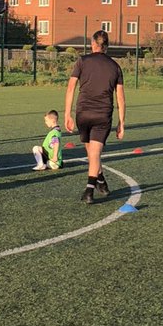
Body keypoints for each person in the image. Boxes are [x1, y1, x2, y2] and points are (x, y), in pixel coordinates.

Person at [64, 30, 126, 204]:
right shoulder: (115, 66)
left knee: (91, 152)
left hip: (83, 113)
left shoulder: (82, 61)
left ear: (93, 44)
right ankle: (96, 184)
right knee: (95, 153)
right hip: (102, 114)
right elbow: (120, 97)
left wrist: (67, 114)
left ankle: (93, 186)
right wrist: (122, 121)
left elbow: (71, 88)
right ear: (107, 46)